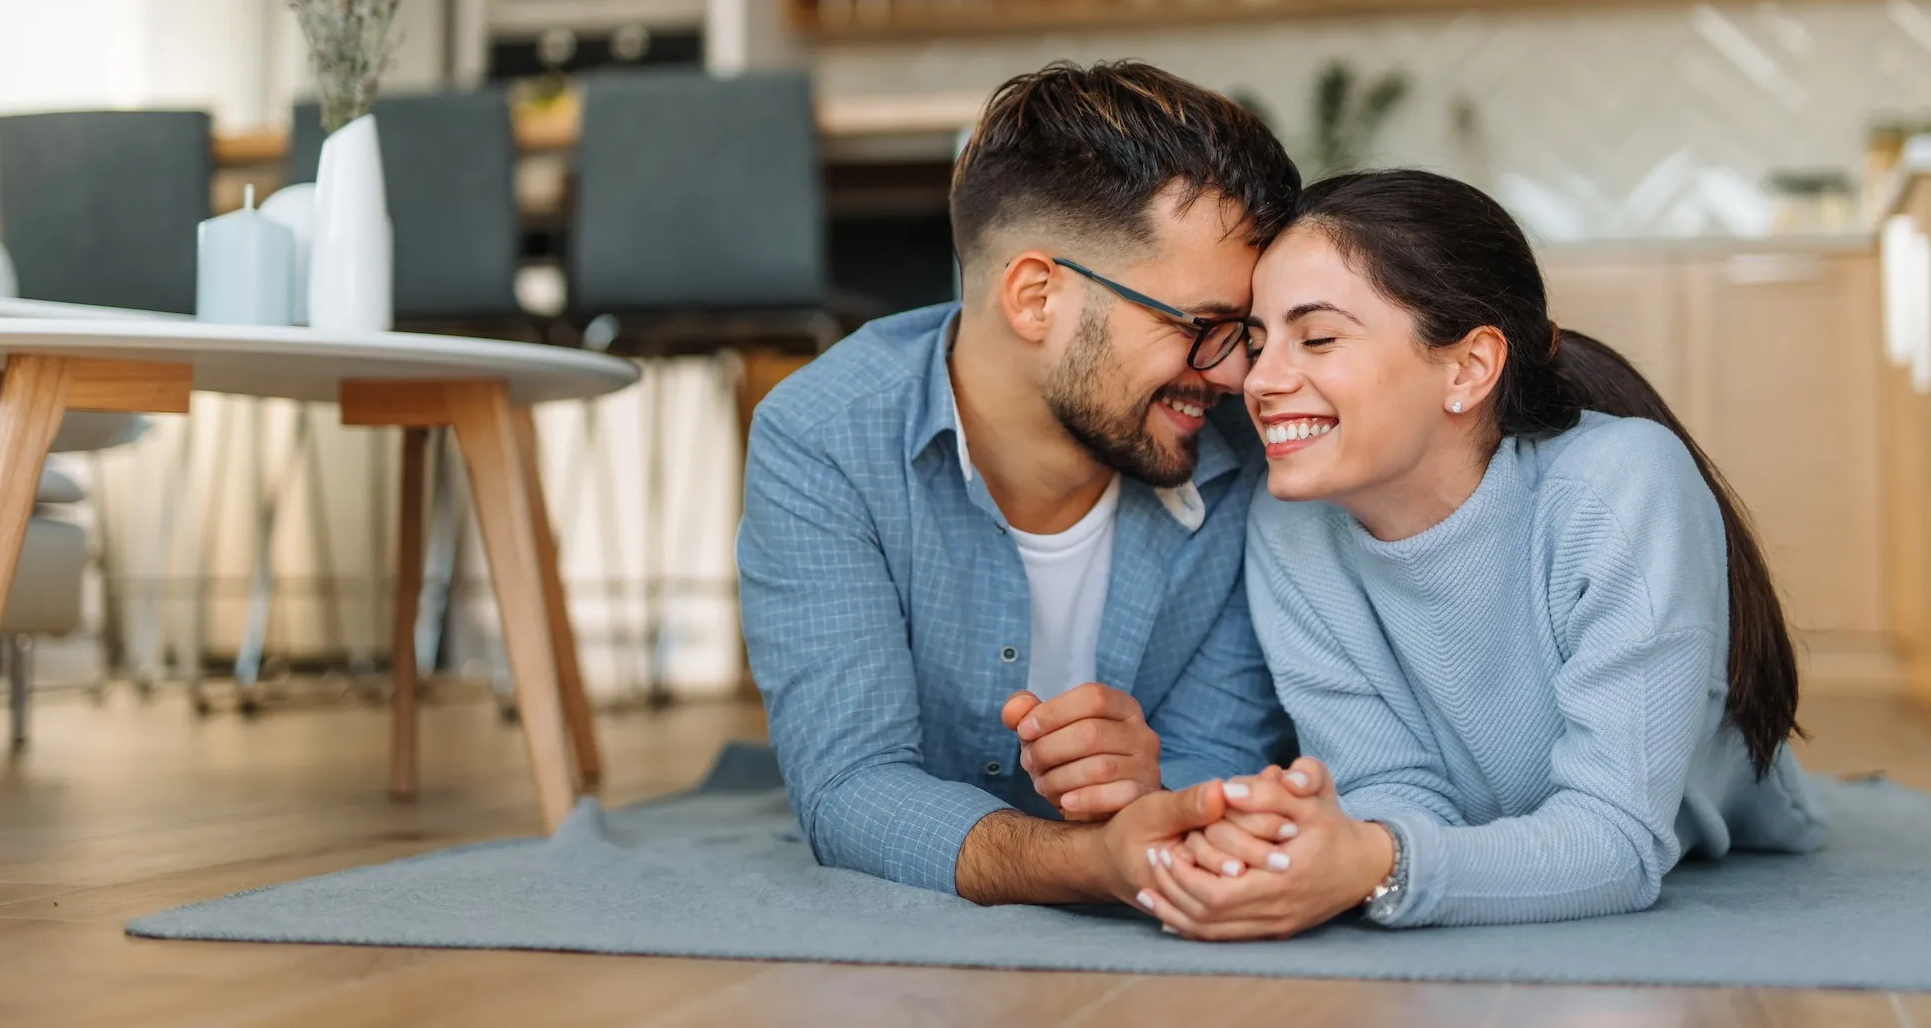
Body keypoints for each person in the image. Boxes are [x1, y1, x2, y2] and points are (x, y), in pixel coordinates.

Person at [1133, 169, 1827, 938]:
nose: (1258, 380)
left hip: (1705, 829)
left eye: (1319, 337)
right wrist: (1323, 849)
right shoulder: (1288, 523)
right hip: (1491, 819)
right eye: (1257, 342)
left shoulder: (1622, 485)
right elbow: (1388, 787)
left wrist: (1372, 864)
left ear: (1468, 368)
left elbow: (1618, 839)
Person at [738, 60, 1302, 903]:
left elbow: (1217, 765)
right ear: (1036, 296)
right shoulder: (823, 439)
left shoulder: (1243, 456)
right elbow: (850, 788)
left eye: (1244, 332)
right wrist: (1092, 861)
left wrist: (1157, 790)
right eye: (1203, 326)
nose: (1234, 376)